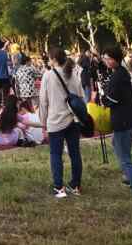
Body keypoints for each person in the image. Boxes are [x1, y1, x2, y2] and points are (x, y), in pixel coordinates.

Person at [101, 46, 132, 198]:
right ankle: (128, 177)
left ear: (115, 59)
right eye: (104, 58)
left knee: (124, 156)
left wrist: (102, 98)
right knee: (118, 145)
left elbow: (112, 99)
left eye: (108, 58)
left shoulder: (118, 76)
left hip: (125, 122)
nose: (105, 61)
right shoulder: (121, 72)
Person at [40, 47, 84, 198]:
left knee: (56, 154)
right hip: (73, 119)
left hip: (55, 120)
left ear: (53, 59)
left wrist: (43, 122)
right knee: (75, 153)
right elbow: (80, 97)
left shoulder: (48, 76)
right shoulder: (73, 75)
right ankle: (76, 185)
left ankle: (59, 187)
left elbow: (43, 101)